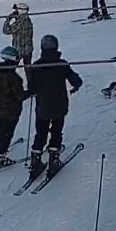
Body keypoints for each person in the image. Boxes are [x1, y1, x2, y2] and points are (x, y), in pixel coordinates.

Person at [25, 35, 83, 178]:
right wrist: (75, 86)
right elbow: (76, 80)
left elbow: (32, 88)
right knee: (56, 131)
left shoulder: (36, 66)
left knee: (40, 133)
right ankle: (53, 160)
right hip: (59, 105)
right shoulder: (62, 64)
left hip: (43, 106)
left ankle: (35, 162)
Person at [3, 2, 34, 69]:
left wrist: (8, 20)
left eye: (16, 10)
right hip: (28, 49)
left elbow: (6, 31)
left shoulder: (19, 22)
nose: (15, 12)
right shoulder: (27, 19)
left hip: (18, 50)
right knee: (28, 68)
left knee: (11, 68)